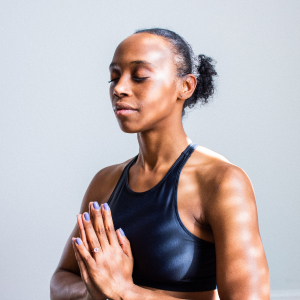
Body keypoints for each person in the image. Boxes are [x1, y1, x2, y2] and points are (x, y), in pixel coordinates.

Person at [50, 28, 270, 300]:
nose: (119, 88)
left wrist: (125, 292)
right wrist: (95, 290)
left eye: (139, 76)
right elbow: (61, 280)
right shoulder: (104, 182)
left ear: (185, 86)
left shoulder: (222, 182)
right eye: (114, 77)